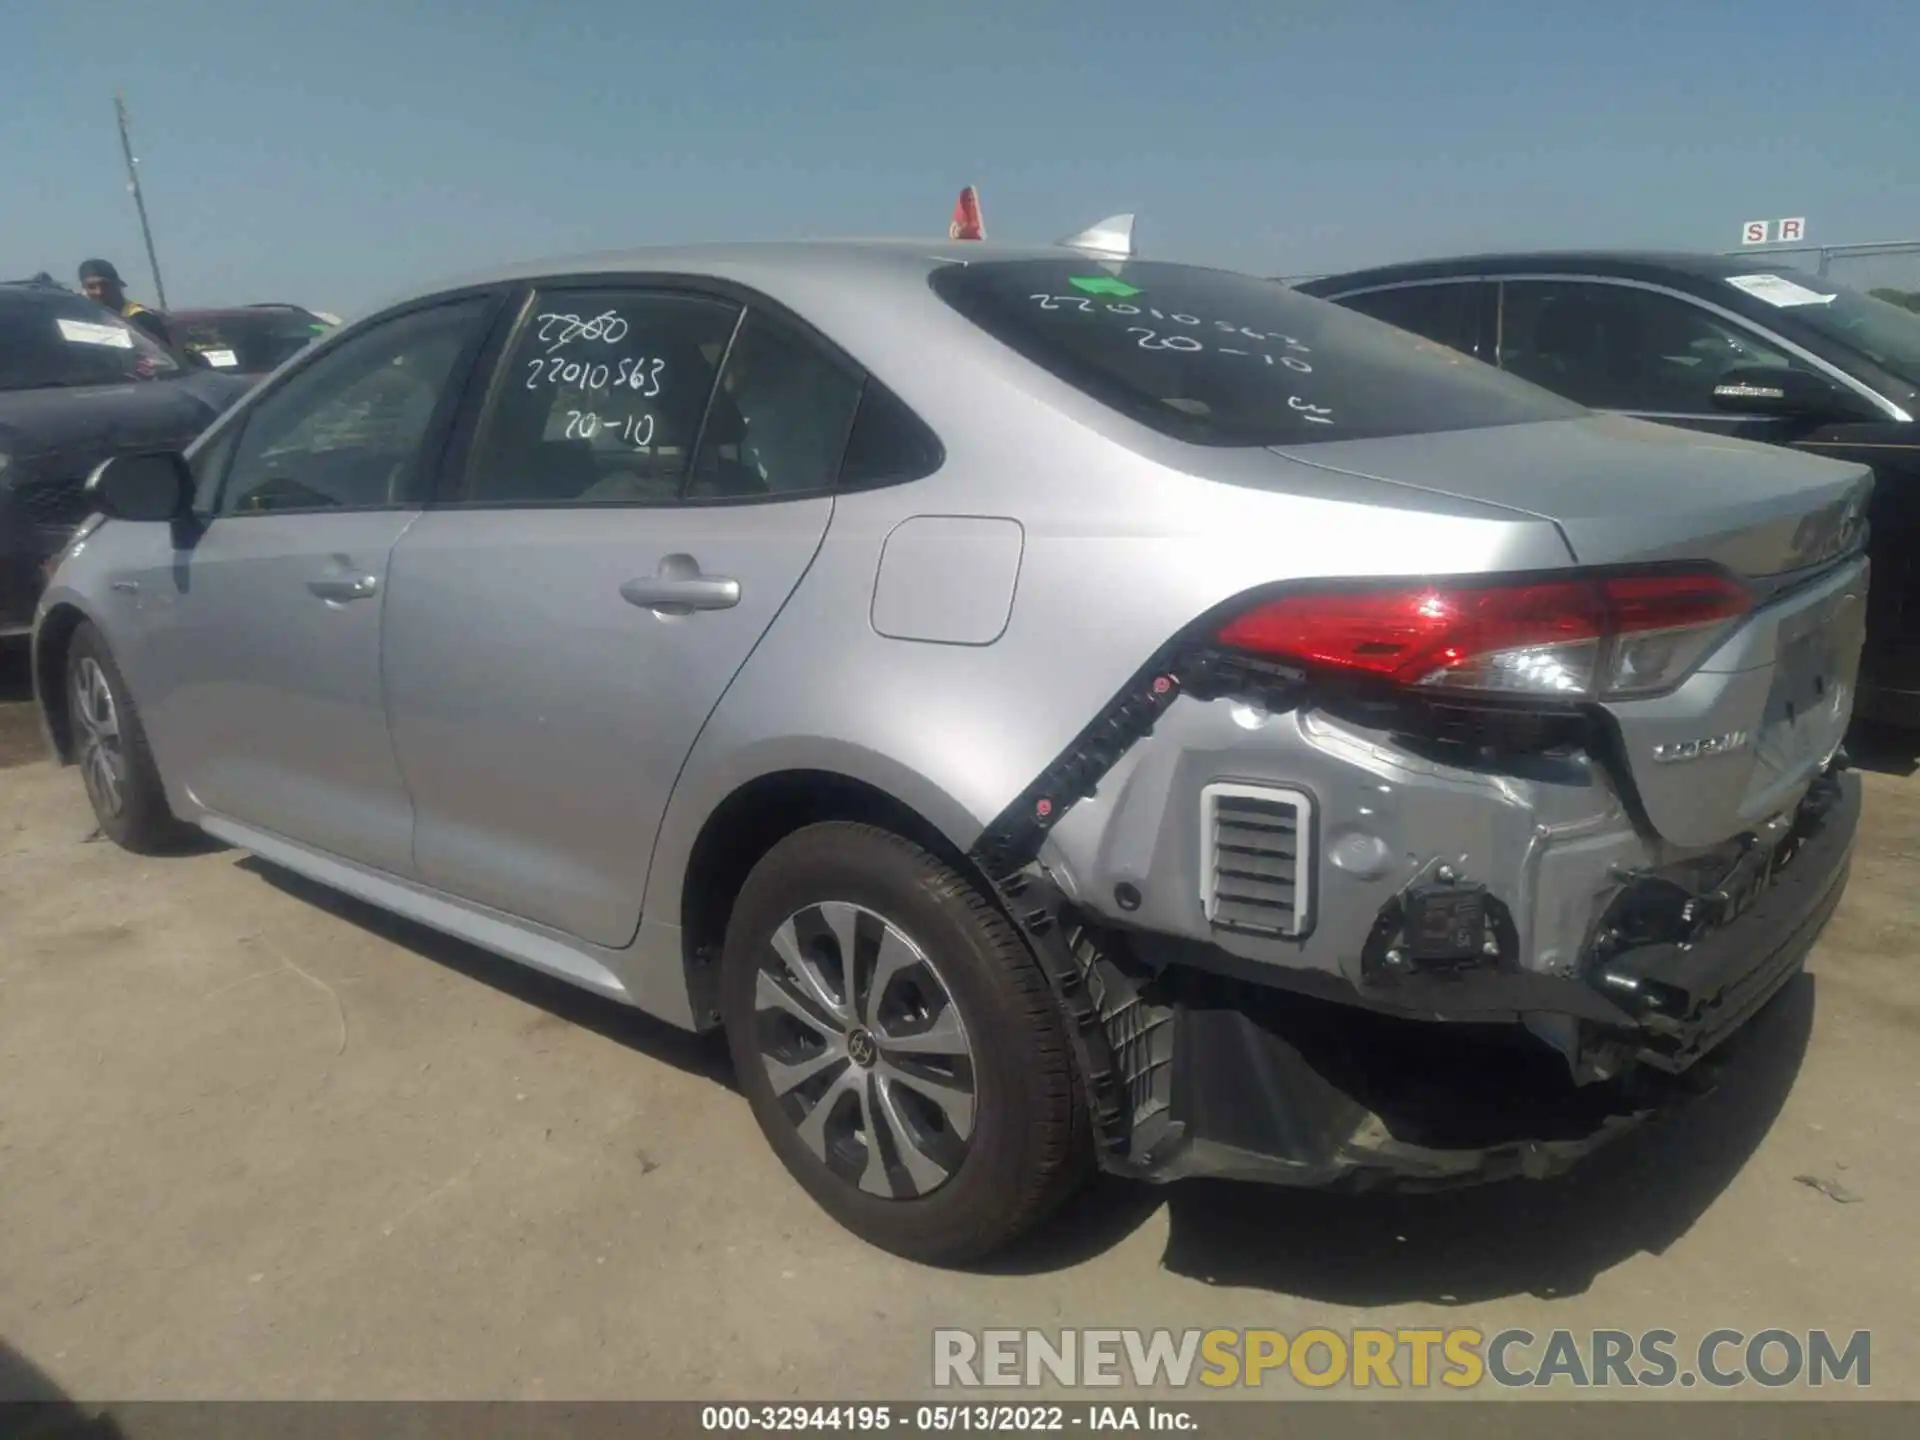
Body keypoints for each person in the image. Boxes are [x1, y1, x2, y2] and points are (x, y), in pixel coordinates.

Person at [77, 258, 171, 347]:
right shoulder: (84, 323)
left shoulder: (142, 319)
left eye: (105, 285)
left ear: (118, 285)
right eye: (91, 287)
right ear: (84, 290)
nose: (99, 292)